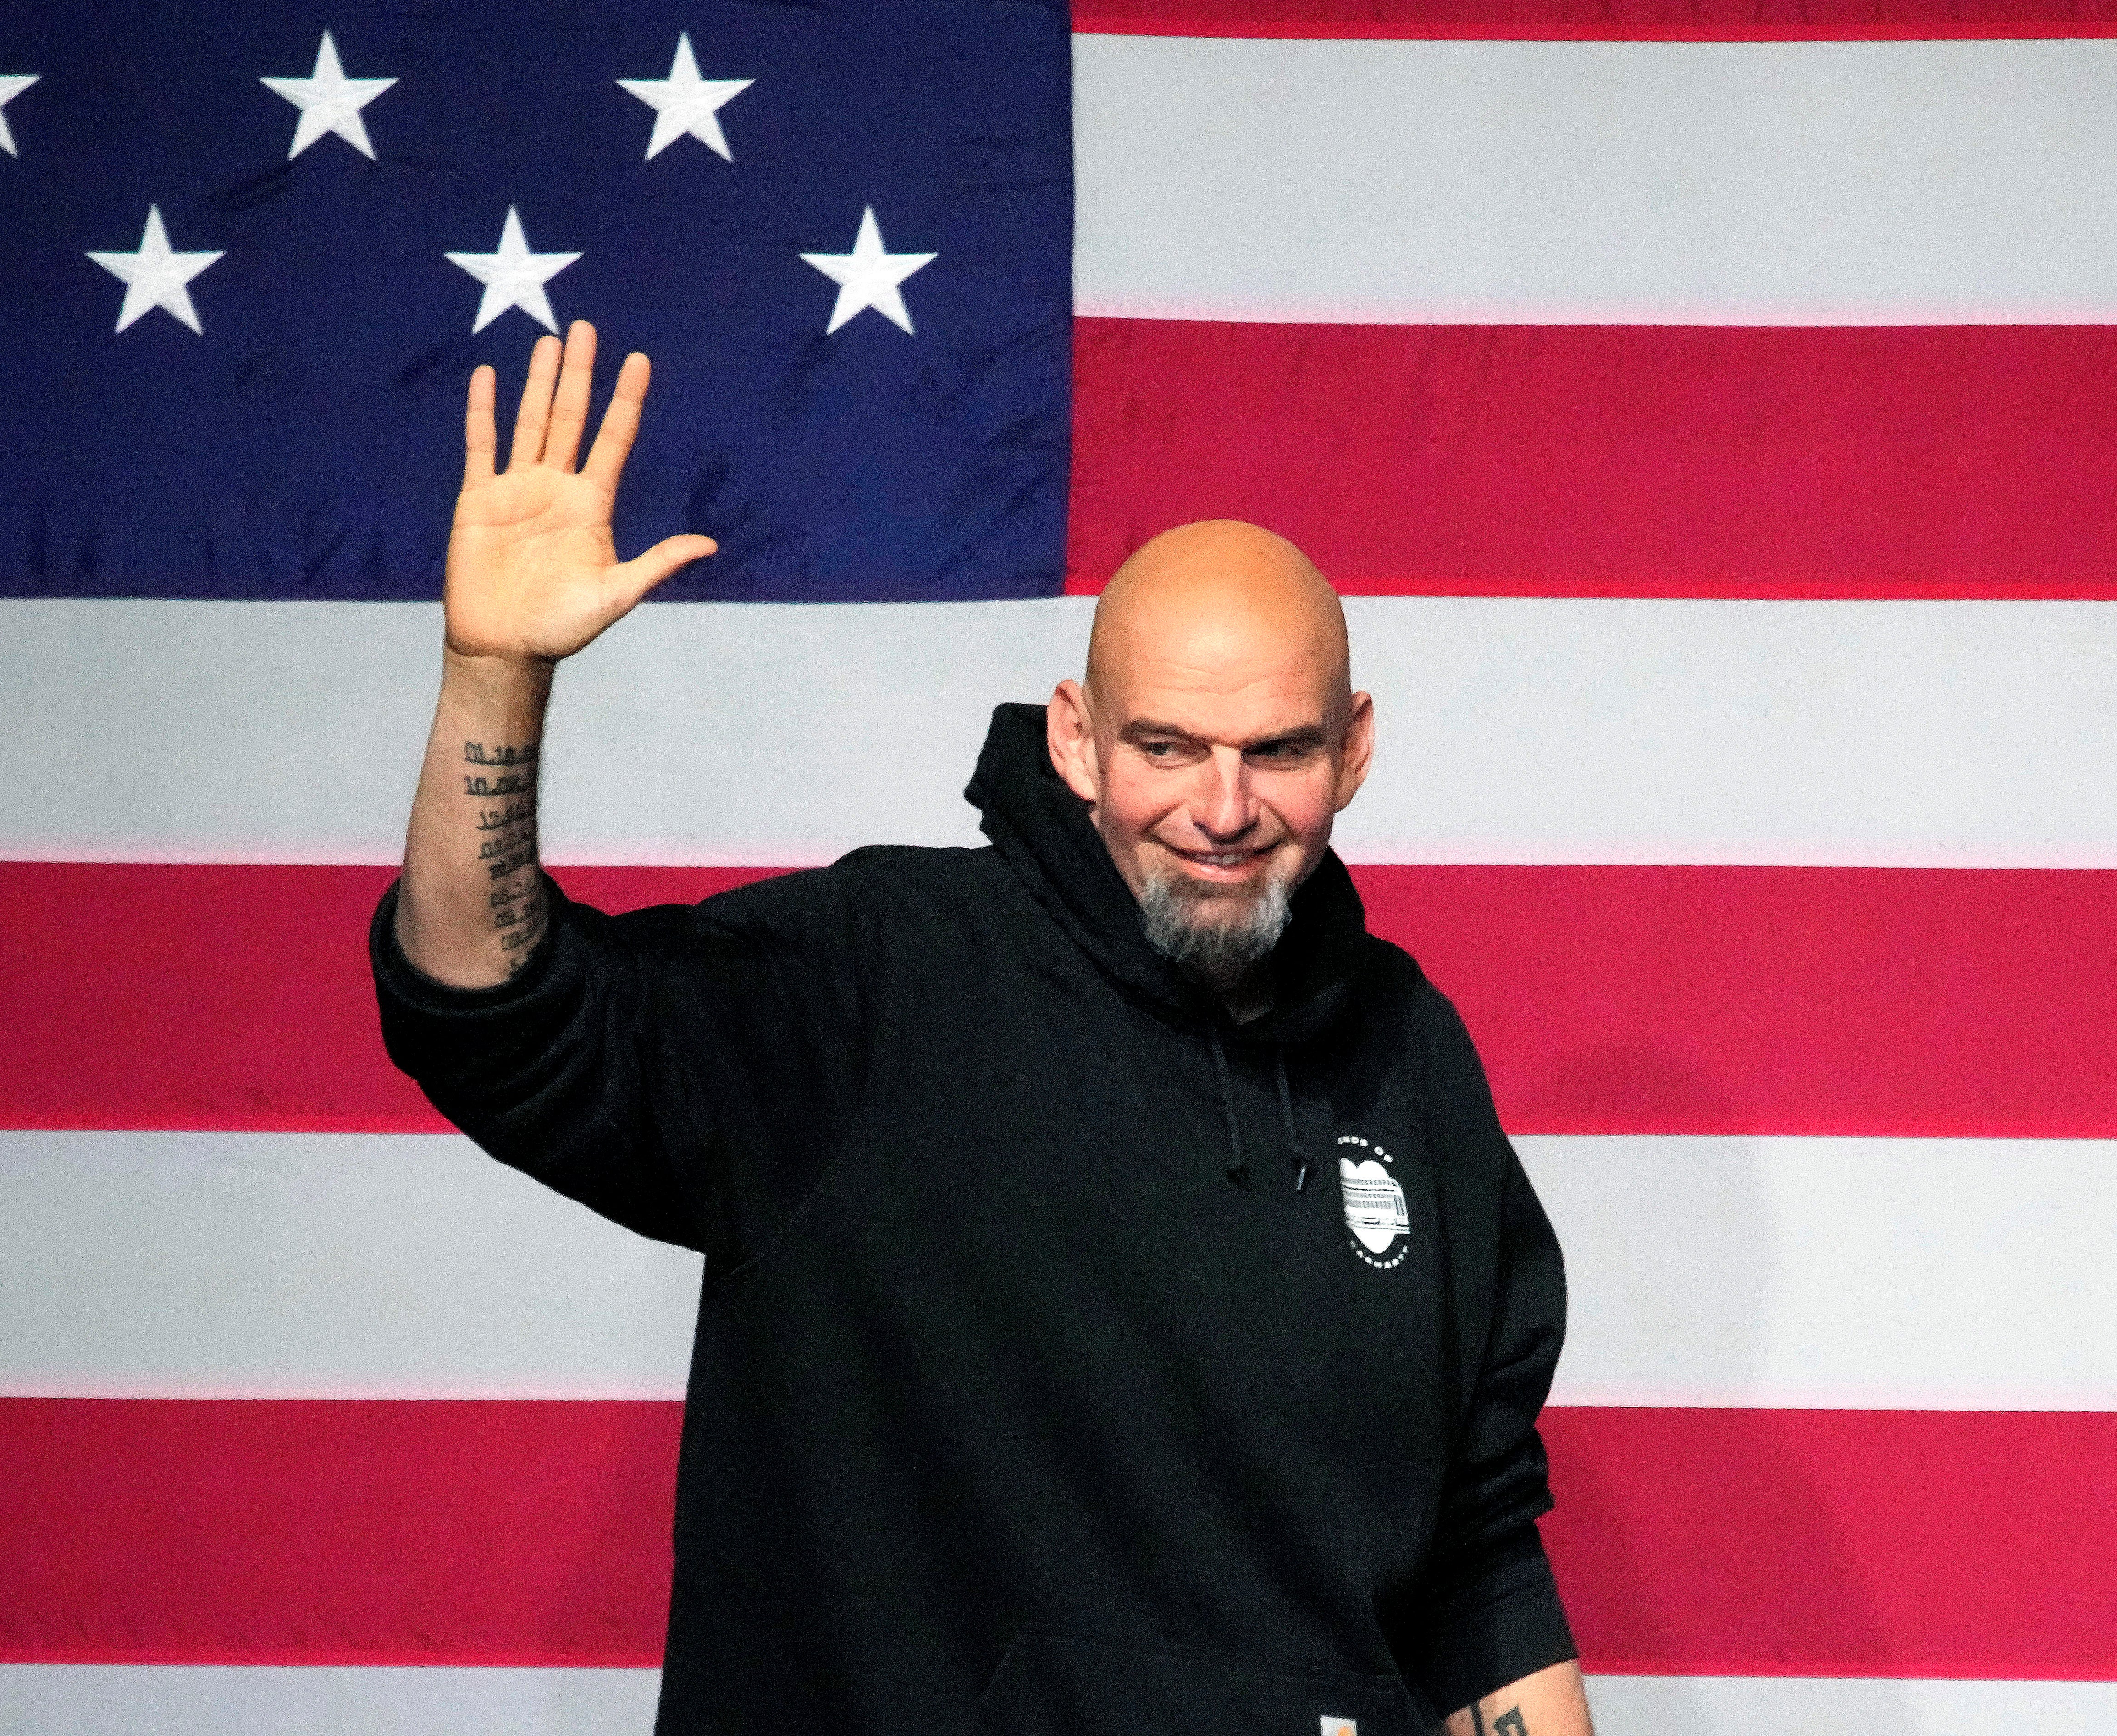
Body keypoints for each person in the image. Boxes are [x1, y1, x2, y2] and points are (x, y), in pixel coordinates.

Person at [373, 321, 1593, 1736]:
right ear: (1075, 737)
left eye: (1277, 751)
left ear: (1355, 748)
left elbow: (1479, 1563)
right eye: (1166, 747)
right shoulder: (874, 977)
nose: (1221, 807)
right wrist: (493, 681)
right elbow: (487, 1008)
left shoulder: (1410, 1057)